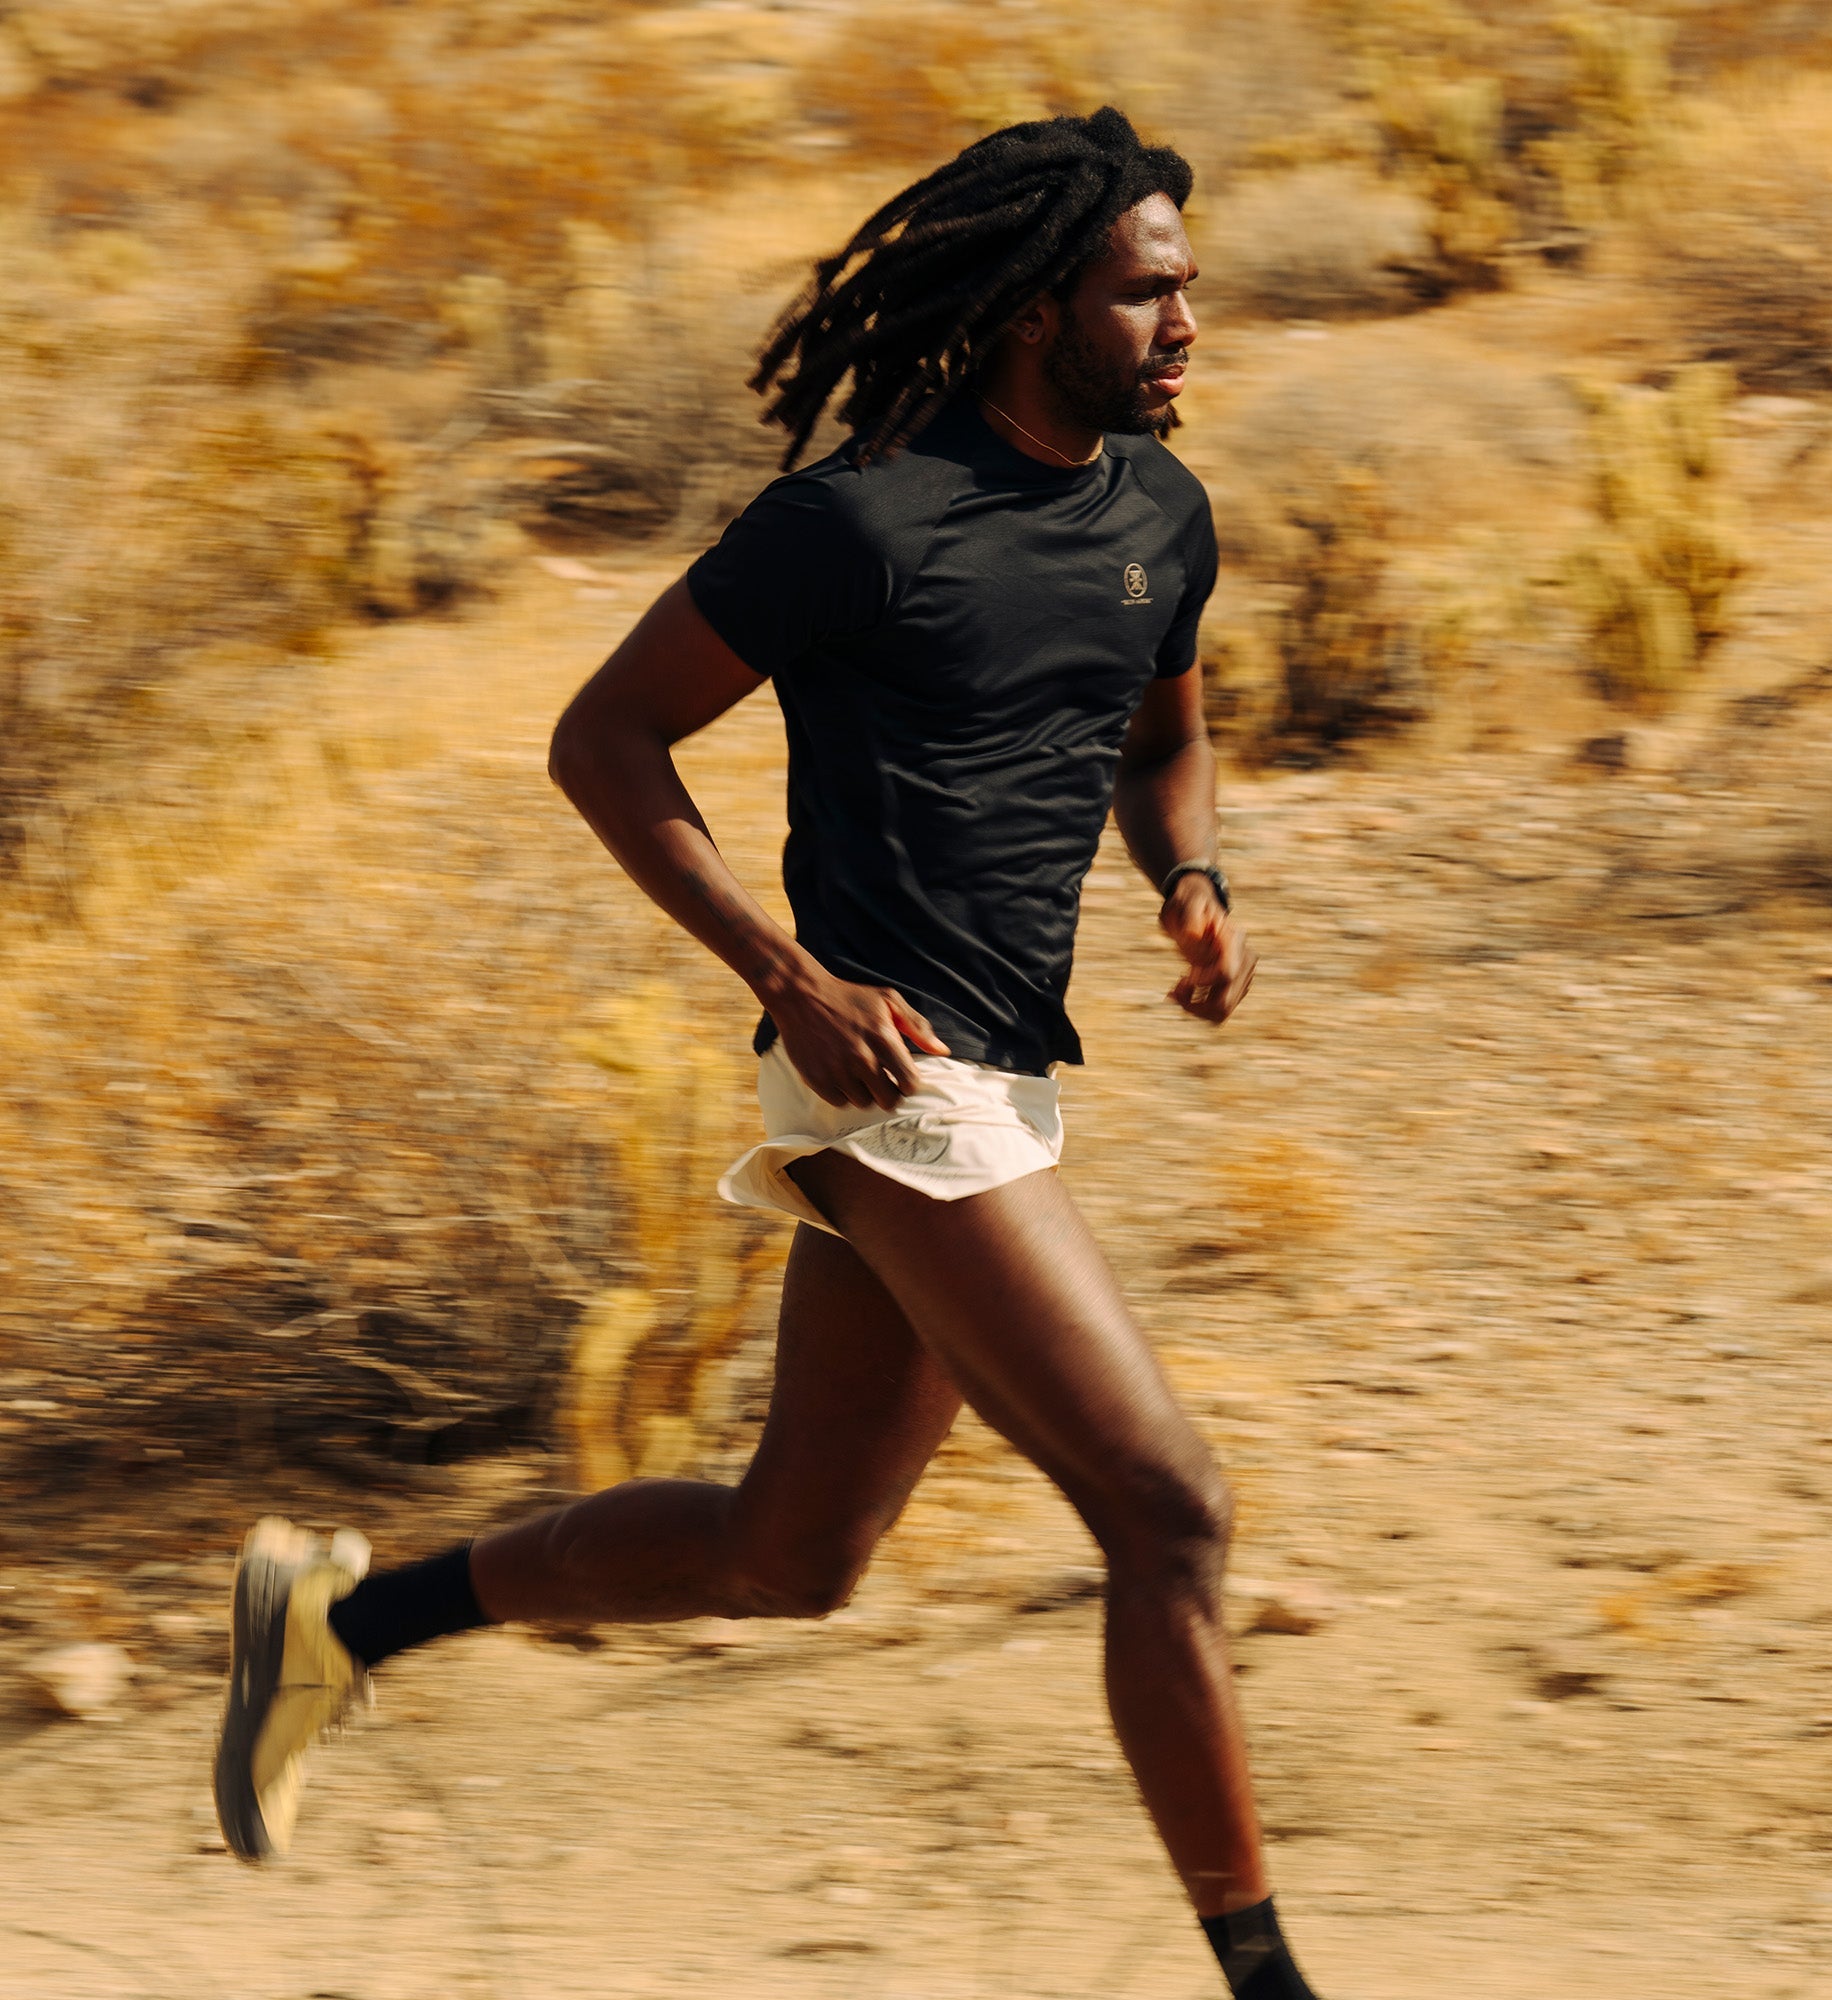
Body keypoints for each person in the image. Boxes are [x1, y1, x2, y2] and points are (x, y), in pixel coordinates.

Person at [214, 107, 1316, 2000]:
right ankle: (1266, 1981)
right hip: (889, 1083)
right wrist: (793, 977)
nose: (1185, 324)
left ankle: (340, 1623)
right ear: (1034, 308)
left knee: (792, 1557)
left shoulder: (1160, 515)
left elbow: (1159, 742)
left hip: (1004, 1077)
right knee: (1167, 1508)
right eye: (1147, 293)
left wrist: (1191, 877)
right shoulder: (859, 522)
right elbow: (605, 739)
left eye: (1188, 289)